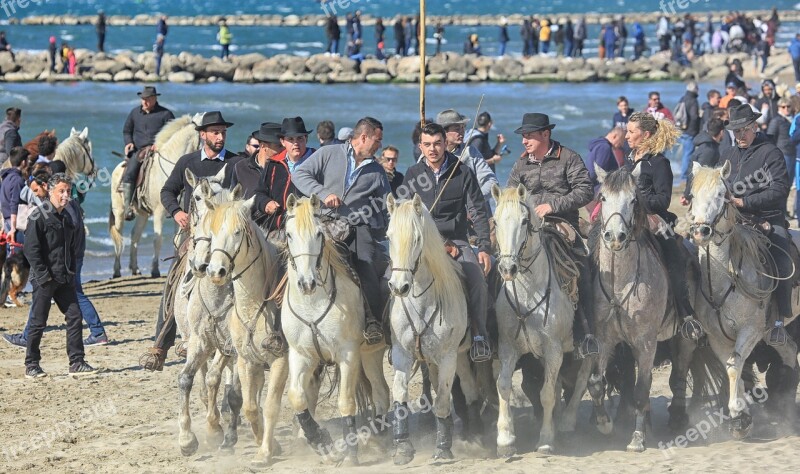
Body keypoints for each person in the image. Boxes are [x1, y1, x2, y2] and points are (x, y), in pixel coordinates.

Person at [140, 111, 243, 371]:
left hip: (223, 240)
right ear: (203, 135)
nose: (220, 137)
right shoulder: (187, 162)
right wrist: (177, 212)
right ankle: (160, 347)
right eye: (215, 132)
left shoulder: (235, 163)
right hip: (192, 237)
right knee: (174, 283)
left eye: (223, 132)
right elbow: (167, 191)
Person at [399, 122, 493, 362]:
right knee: (392, 278)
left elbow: (479, 211)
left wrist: (483, 247)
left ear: (445, 144)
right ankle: (396, 339)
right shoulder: (412, 174)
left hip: (458, 240)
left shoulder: (462, 172)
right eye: (427, 144)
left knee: (478, 281)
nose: (433, 149)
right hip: (421, 243)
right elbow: (403, 215)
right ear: (420, 146)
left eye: (437, 144)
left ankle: (479, 334)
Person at [292, 117, 388, 345]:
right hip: (322, 223)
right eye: (378, 140)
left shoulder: (377, 170)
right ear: (363, 137)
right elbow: (299, 174)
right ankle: (280, 323)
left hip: (357, 229)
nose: (380, 146)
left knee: (366, 261)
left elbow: (385, 207)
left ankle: (372, 320)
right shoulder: (329, 153)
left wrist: (379, 223)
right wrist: (324, 194)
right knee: (295, 258)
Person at [507, 113, 596, 353]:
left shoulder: (568, 157)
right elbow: (510, 194)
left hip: (561, 224)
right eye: (523, 137)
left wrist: (553, 206)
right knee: (503, 261)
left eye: (529, 136)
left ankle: (584, 333)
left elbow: (586, 191)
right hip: (528, 227)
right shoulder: (521, 163)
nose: (525, 141)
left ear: (545, 134)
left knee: (582, 268)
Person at [720, 104, 792, 345]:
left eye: (744, 130)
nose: (740, 136)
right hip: (734, 220)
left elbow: (780, 189)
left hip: (768, 219)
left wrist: (745, 201)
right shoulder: (728, 154)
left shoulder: (770, 152)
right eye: (736, 131)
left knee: (783, 260)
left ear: (754, 127)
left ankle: (780, 320)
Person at [624, 112, 699, 340]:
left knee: (674, 256)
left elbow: (663, 200)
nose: (626, 136)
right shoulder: (629, 159)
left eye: (631, 132)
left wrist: (637, 198)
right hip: (626, 220)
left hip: (655, 221)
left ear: (645, 134)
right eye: (627, 131)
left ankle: (686, 314)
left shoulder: (659, 162)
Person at [23, 173, 99, 378]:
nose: (66, 195)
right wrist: (44, 275)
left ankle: (77, 362)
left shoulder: (66, 217)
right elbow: (30, 249)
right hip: (45, 279)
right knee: (38, 322)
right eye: (61, 191)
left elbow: (71, 248)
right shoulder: (38, 216)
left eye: (68, 191)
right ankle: (31, 365)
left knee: (75, 316)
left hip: (65, 278)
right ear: (50, 191)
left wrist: (71, 271)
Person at [121, 86, 175, 221]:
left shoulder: (166, 114)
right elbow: (127, 131)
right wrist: (129, 143)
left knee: (175, 172)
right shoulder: (134, 113)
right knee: (129, 173)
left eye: (147, 99)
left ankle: (173, 205)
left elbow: (174, 134)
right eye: (142, 99)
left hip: (159, 150)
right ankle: (128, 207)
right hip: (139, 151)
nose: (144, 102)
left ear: (154, 99)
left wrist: (161, 144)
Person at [432, 109, 498, 208]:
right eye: (457, 128)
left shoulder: (470, 152)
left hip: (470, 213)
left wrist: (472, 201)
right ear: (443, 132)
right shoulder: (430, 154)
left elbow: (492, 182)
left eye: (463, 127)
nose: (462, 132)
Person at [233, 122, 284, 230]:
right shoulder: (240, 168)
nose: (283, 150)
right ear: (263, 146)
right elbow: (232, 203)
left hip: (279, 230)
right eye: (279, 146)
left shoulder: (286, 168)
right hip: (249, 232)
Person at [681, 118, 726, 205]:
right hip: (703, 196)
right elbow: (697, 175)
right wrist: (688, 196)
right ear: (721, 132)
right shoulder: (709, 151)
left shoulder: (706, 144)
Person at [1, 146, 28, 247]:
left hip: (6, 220)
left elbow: (3, 202)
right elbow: (14, 204)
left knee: (10, 255)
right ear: (23, 162)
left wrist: (4, 225)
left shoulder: (6, 178)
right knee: (18, 255)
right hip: (16, 223)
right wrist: (13, 228)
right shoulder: (17, 180)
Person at [767, 98, 796, 188]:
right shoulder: (776, 120)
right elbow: (770, 139)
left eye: (788, 106)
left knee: (789, 183)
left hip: (793, 154)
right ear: (779, 108)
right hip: (782, 154)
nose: (786, 109)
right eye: (783, 107)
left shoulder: (793, 119)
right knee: (782, 184)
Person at [586, 127, 624, 196]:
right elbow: (599, 172)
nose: (621, 145)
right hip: (599, 192)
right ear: (615, 136)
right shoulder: (605, 147)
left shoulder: (599, 145)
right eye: (621, 141)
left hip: (593, 188)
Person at [677, 81, 701, 181]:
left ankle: (683, 175)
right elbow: (694, 117)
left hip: (682, 129)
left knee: (684, 154)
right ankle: (684, 177)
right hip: (690, 131)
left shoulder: (683, 98)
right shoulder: (693, 100)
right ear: (695, 89)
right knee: (688, 155)